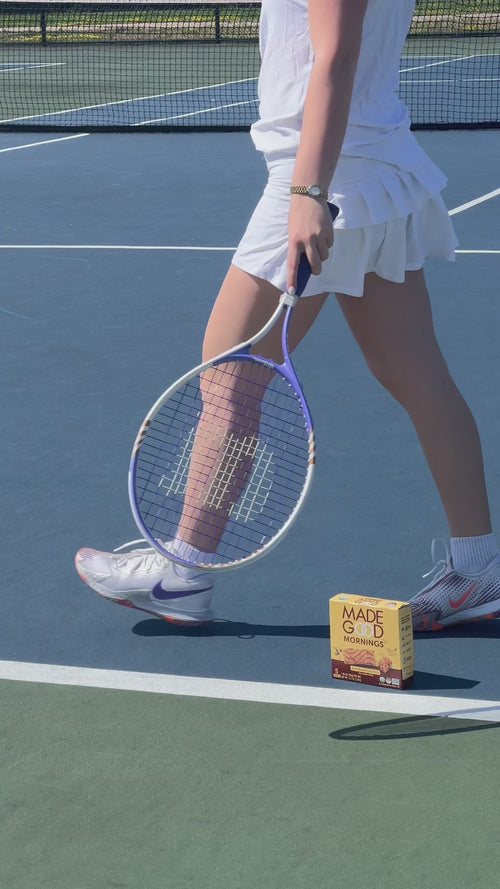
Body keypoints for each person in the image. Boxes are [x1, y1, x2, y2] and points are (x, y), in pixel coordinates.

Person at [76, 0, 500, 632]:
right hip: (374, 175)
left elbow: (336, 55)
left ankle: (182, 570)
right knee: (418, 377)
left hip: (325, 179)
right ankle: (480, 569)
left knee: (229, 378)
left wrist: (308, 194)